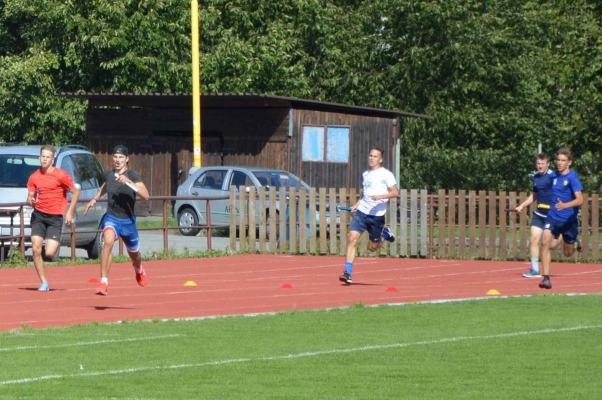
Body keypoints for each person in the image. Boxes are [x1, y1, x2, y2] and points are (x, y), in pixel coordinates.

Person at [84, 145, 150, 295]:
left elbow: (146, 195)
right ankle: (104, 282)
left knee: (135, 255)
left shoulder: (132, 175)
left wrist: (128, 182)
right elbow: (106, 186)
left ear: (127, 159)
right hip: (112, 218)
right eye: (115, 157)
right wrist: (95, 198)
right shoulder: (109, 174)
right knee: (107, 242)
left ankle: (139, 269)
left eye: (120, 157)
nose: (117, 160)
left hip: (128, 222)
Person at [339, 147, 398, 284]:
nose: (371, 158)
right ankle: (347, 273)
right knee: (352, 239)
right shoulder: (365, 174)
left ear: (381, 159)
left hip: (377, 217)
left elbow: (395, 193)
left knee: (372, 248)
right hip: (362, 213)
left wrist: (380, 197)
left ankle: (386, 234)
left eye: (375, 156)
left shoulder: (386, 174)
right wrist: (357, 204)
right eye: (370, 155)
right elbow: (365, 194)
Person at [26, 145, 80, 291]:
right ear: (39, 157)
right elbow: (29, 197)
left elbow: (75, 192)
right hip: (38, 215)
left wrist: (70, 211)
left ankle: (47, 247)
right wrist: (31, 201)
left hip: (55, 216)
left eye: (47, 157)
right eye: (43, 156)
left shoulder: (61, 175)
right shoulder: (34, 177)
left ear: (52, 159)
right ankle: (44, 282)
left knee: (49, 253)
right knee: (36, 249)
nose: (44, 159)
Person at [538, 147, 583, 290]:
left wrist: (565, 205)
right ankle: (546, 278)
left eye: (563, 160)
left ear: (569, 162)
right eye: (558, 160)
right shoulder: (553, 176)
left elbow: (580, 200)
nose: (559, 163)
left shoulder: (572, 178)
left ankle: (575, 243)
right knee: (545, 243)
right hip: (552, 217)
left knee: (567, 253)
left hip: (568, 220)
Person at [515, 153, 555, 278]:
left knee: (550, 245)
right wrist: (522, 205)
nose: (540, 166)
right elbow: (534, 195)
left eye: (542, 163)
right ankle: (535, 269)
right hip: (539, 213)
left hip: (552, 214)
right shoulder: (536, 177)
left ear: (548, 164)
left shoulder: (553, 176)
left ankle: (570, 239)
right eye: (538, 163)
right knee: (533, 239)